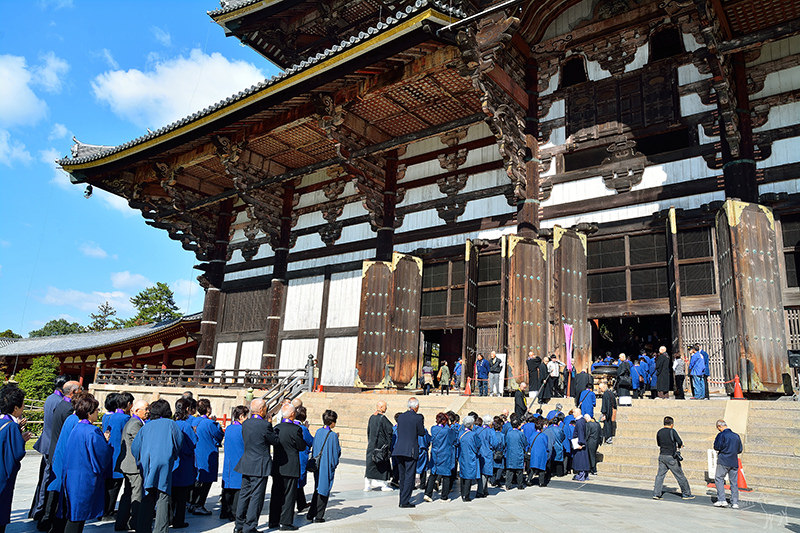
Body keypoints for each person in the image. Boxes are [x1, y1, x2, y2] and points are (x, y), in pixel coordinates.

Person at [62, 393, 114, 533]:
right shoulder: (92, 431)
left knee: (74, 514)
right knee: (77, 517)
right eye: (96, 410)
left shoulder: (77, 428)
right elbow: (101, 454)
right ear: (90, 412)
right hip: (84, 478)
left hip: (71, 474)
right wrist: (106, 442)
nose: (98, 412)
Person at [132, 399, 184, 533]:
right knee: (163, 496)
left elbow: (135, 447)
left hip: (148, 463)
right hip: (164, 464)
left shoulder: (146, 426)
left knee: (147, 495)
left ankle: (142, 528)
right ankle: (160, 529)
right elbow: (178, 443)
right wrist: (172, 455)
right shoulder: (172, 424)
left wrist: (141, 460)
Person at [40, 380, 82, 529]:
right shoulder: (69, 410)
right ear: (74, 392)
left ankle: (45, 518)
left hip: (53, 449)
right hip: (60, 451)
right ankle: (48, 521)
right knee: (56, 490)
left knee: (52, 487)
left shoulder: (60, 404)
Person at [29, 374, 69, 526]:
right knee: (47, 479)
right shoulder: (60, 402)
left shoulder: (50, 398)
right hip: (52, 444)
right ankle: (40, 510)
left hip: (46, 442)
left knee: (44, 479)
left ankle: (37, 509)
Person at [235, 399, 279, 533]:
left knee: (244, 494)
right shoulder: (264, 425)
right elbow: (275, 441)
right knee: (256, 497)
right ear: (261, 409)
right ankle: (250, 526)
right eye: (265, 408)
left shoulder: (245, 423)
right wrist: (271, 426)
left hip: (247, 462)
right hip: (259, 465)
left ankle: (239, 525)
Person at [269, 404, 306, 530]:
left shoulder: (276, 428)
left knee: (276, 494)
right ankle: (285, 523)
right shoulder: (296, 429)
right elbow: (302, 446)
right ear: (292, 414)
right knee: (289, 496)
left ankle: (273, 521)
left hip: (278, 466)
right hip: (291, 467)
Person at [1, 384, 32, 533]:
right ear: (15, 408)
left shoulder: (4, 421)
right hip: (4, 475)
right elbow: (17, 453)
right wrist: (22, 440)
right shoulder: (11, 426)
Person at [115, 399, 148, 533]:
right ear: (136, 410)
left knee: (128, 494)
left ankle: (121, 522)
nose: (147, 412)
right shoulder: (135, 424)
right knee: (136, 494)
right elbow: (139, 446)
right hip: (133, 465)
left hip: (128, 465)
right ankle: (135, 521)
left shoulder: (134, 422)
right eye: (145, 409)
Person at [190, 399, 224, 515]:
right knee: (206, 482)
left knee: (196, 480)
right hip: (207, 454)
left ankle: (192, 503)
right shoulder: (210, 423)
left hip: (195, 453)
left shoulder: (193, 421)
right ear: (208, 409)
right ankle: (199, 504)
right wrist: (216, 424)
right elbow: (219, 435)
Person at [306, 410, 341, 523]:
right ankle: (319, 516)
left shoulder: (318, 431)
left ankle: (311, 513)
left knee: (317, 488)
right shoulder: (333, 436)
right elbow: (336, 454)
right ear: (333, 422)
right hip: (326, 466)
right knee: (324, 489)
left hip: (317, 465)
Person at [392, 397, 425, 508]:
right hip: (410, 450)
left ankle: (402, 498)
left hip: (399, 449)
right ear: (416, 406)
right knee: (409, 476)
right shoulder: (418, 417)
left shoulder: (401, 417)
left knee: (402, 476)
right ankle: (404, 501)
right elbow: (421, 432)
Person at [104, 391, 132, 520]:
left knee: (110, 484)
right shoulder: (126, 419)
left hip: (110, 453)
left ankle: (106, 509)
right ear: (128, 404)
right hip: (119, 454)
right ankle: (108, 511)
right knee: (115, 485)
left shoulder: (110, 416)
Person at [652, 416, 693, 500]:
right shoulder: (672, 431)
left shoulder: (659, 432)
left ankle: (657, 494)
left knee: (660, 475)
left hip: (662, 456)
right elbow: (679, 441)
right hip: (671, 457)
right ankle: (686, 494)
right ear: (672, 424)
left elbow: (659, 444)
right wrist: (679, 445)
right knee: (680, 475)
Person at [172, 398, 198, 528]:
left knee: (171, 495)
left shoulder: (172, 423)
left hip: (173, 463)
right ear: (187, 409)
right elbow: (193, 443)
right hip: (184, 463)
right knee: (182, 496)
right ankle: (179, 520)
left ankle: (169, 518)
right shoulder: (186, 426)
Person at [220, 405, 248, 521]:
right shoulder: (243, 429)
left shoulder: (229, 428)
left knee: (227, 487)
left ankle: (224, 511)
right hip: (239, 460)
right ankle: (235, 512)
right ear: (241, 416)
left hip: (229, 461)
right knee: (238, 489)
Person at [423, 413, 457, 502]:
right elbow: (454, 439)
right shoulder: (448, 430)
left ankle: (427, 494)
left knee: (433, 474)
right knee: (446, 475)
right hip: (445, 454)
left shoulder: (433, 428)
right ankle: (444, 497)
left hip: (435, 454)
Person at [713, 419, 743, 508]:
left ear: (719, 426)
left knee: (719, 478)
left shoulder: (721, 435)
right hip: (734, 461)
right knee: (734, 482)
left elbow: (717, 447)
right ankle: (735, 502)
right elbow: (740, 449)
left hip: (723, 460)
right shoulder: (736, 436)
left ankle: (722, 500)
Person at [365, 400, 393, 491]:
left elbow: (369, 431)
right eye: (385, 406)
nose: (386, 408)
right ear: (380, 407)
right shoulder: (383, 418)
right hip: (381, 447)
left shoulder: (371, 417)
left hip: (371, 445)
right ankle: (384, 485)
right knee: (384, 465)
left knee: (370, 465)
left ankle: (367, 485)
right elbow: (390, 430)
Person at [293, 406, 314, 513]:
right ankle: (299, 504)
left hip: (291, 458)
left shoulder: (291, 425)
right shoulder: (303, 429)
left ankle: (301, 503)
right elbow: (311, 441)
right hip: (301, 458)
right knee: (299, 481)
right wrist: (307, 428)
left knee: (297, 482)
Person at [457, 416, 480, 501]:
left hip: (462, 456)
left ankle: (462, 492)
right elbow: (478, 444)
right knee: (469, 476)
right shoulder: (473, 434)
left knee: (463, 474)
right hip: (470, 456)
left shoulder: (460, 434)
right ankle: (466, 495)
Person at [504, 415, 526, 490]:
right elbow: (525, 443)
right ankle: (520, 485)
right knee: (519, 470)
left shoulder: (509, 433)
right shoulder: (521, 434)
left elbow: (506, 442)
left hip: (510, 453)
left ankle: (508, 485)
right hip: (518, 453)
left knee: (509, 470)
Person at [527, 417, 550, 487]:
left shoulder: (532, 435)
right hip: (541, 453)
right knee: (541, 468)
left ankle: (529, 479)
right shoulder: (544, 436)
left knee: (532, 468)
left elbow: (529, 443)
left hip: (534, 453)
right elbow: (546, 445)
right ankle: (541, 482)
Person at [571, 412, 591, 481]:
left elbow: (580, 433)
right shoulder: (582, 421)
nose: (573, 414)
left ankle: (581, 476)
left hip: (580, 444)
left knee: (581, 461)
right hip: (582, 443)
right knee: (583, 460)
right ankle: (584, 475)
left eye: (574, 412)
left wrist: (580, 443)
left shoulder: (579, 422)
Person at [416, 421, 431, 490]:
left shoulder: (413, 430)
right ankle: (422, 484)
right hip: (423, 450)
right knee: (424, 468)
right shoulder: (424, 430)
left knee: (413, 467)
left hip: (415, 450)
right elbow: (428, 440)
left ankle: (412, 484)